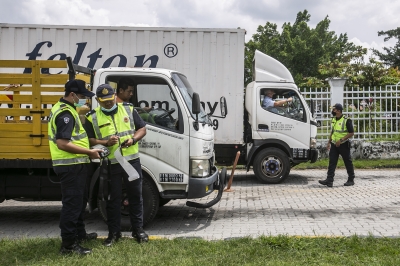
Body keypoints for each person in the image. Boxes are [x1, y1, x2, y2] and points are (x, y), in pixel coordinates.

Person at [84, 84, 148, 246]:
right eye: (103, 101)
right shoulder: (92, 117)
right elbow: (90, 140)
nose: (108, 103)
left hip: (131, 162)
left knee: (135, 196)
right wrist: (105, 142)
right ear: (98, 100)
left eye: (110, 99)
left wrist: (133, 139)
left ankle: (138, 230)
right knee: (112, 200)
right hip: (110, 164)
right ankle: (114, 233)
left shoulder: (127, 109)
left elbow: (142, 129)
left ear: (114, 96)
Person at [48, 79, 102, 255]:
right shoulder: (66, 114)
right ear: (72, 95)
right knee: (72, 205)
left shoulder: (65, 109)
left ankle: (80, 234)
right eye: (81, 96)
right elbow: (62, 143)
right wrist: (89, 152)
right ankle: (69, 245)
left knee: (79, 203)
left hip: (75, 165)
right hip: (70, 166)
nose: (84, 100)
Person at [319, 103, 356, 187]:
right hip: (334, 144)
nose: (333, 111)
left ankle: (351, 179)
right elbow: (333, 131)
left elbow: (351, 133)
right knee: (332, 162)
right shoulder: (333, 119)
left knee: (347, 162)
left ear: (339, 111)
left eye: (334, 109)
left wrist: (341, 140)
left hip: (343, 144)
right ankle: (329, 180)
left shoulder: (346, 120)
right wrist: (329, 142)